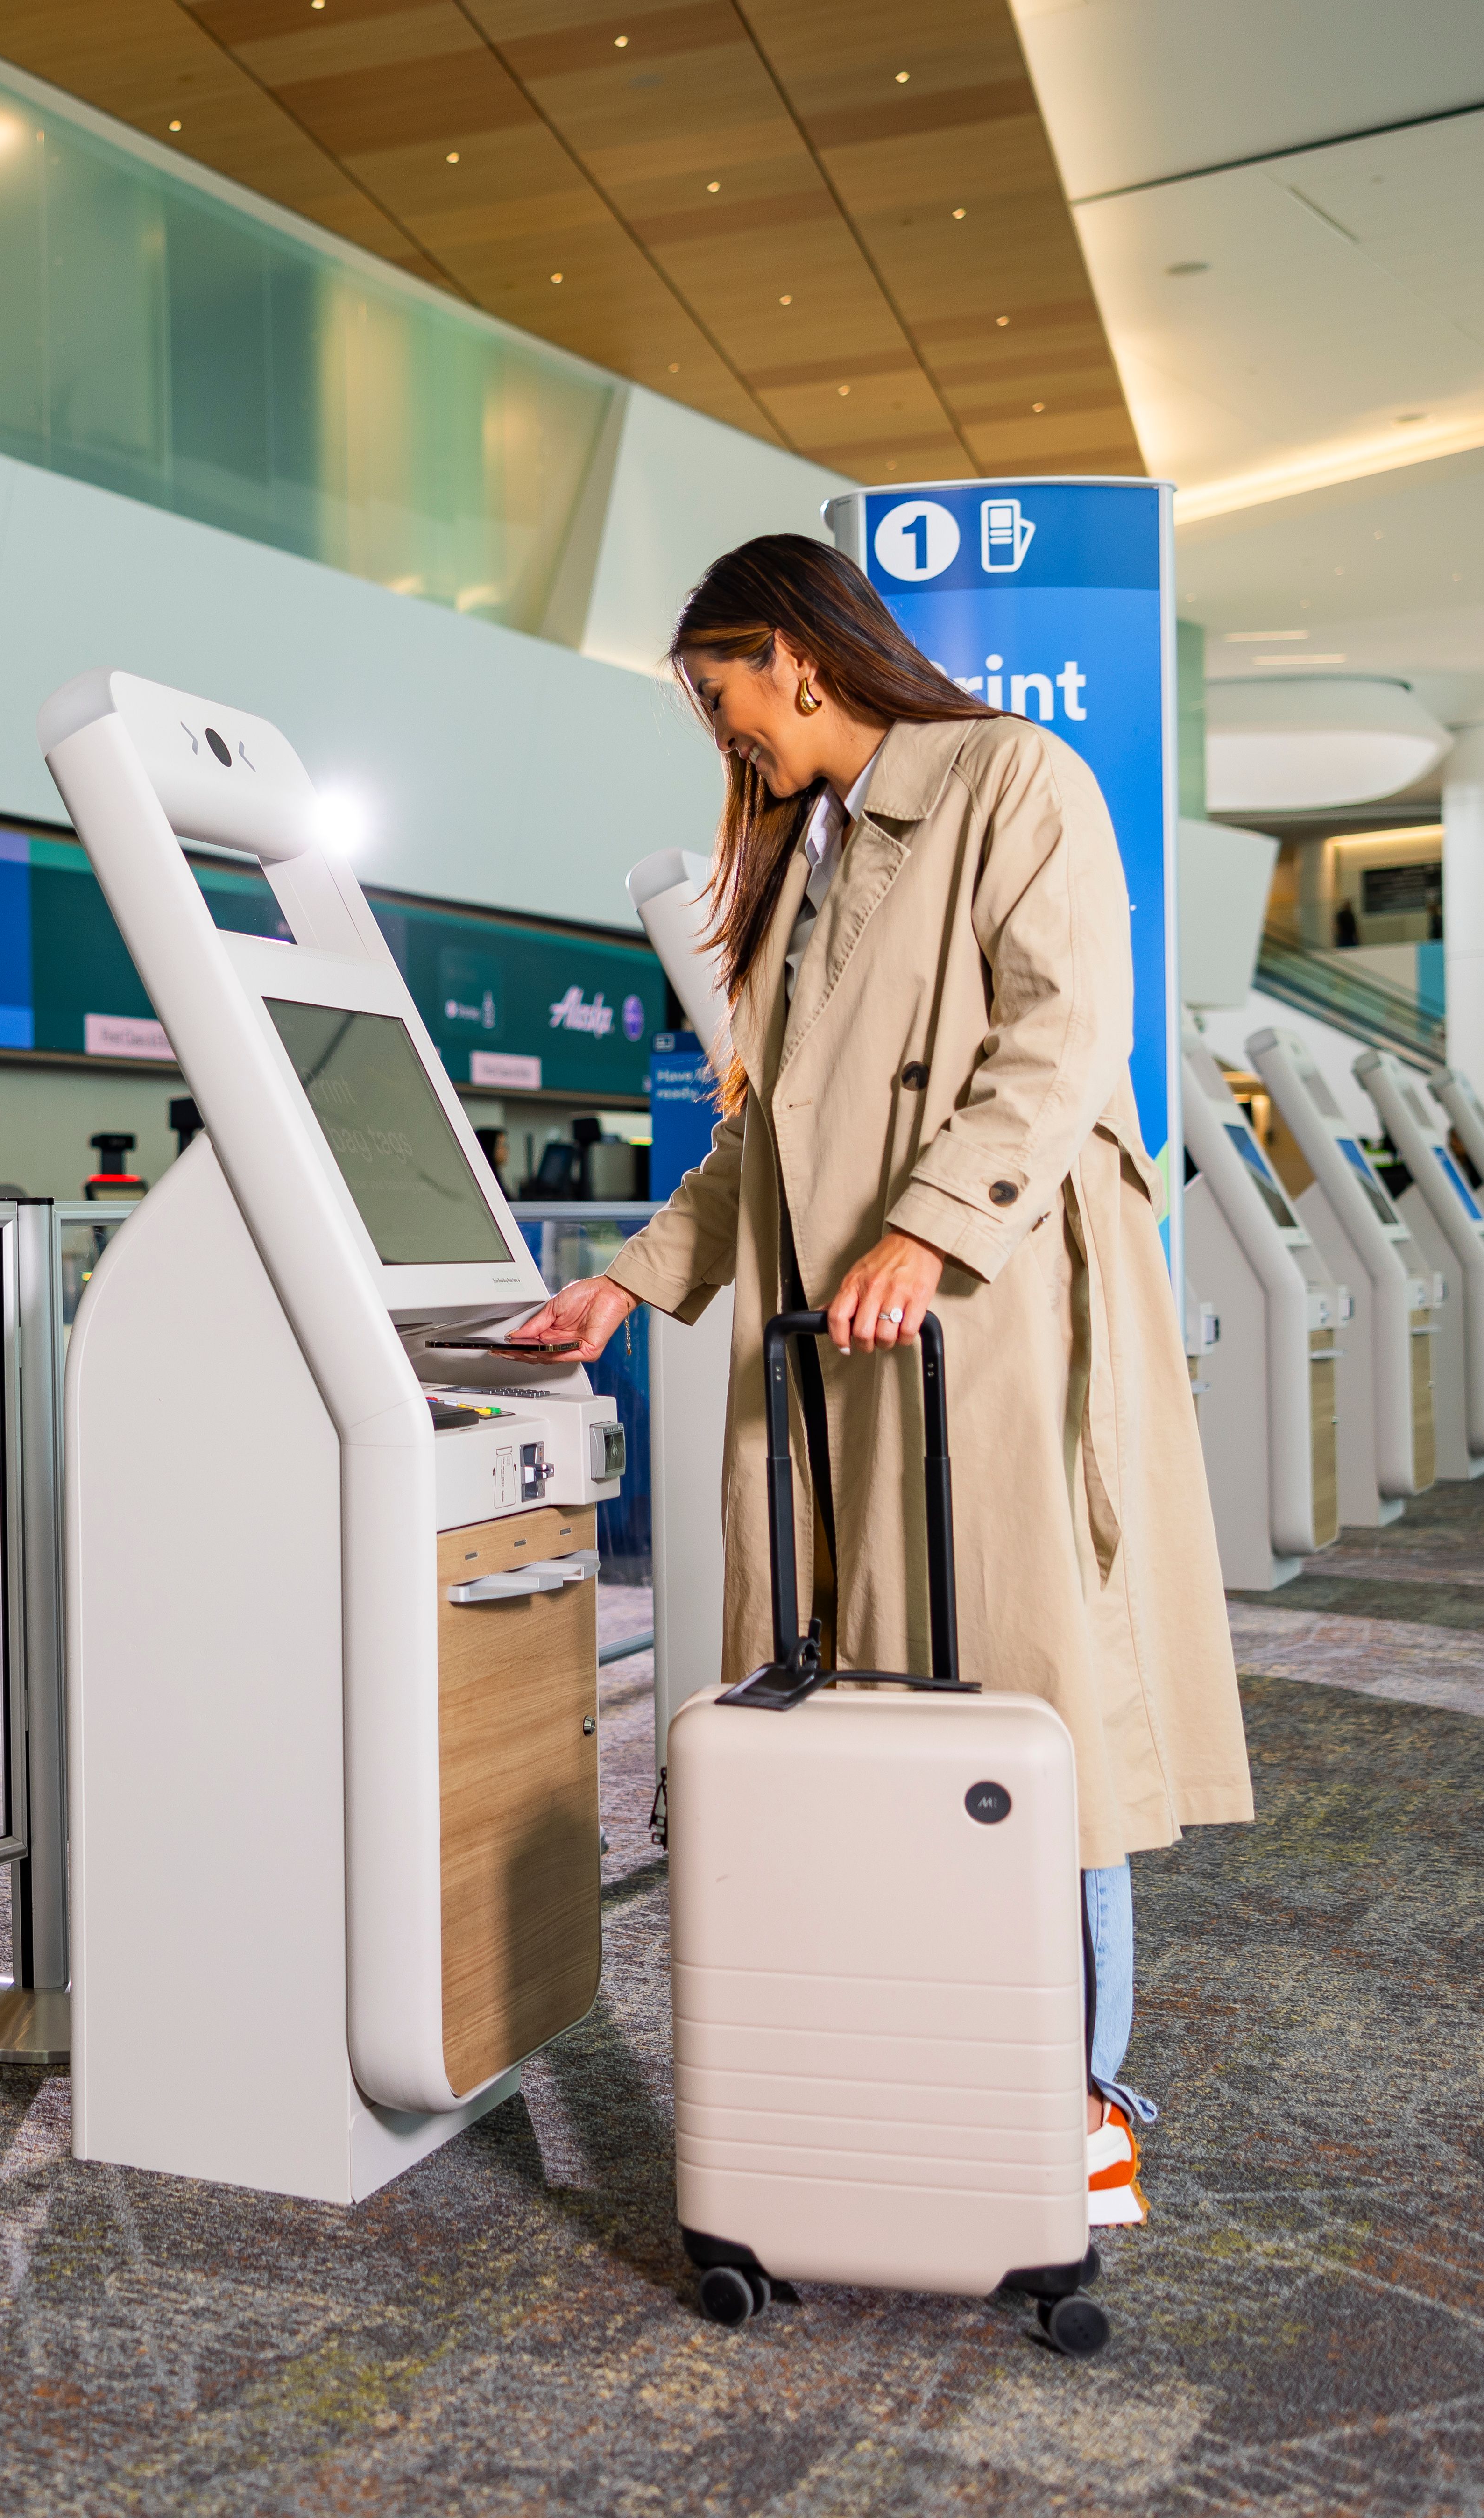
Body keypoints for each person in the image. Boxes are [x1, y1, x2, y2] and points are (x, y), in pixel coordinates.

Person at [515, 535, 1254, 2229]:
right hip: (838, 1352)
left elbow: (1066, 1041)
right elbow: (762, 1140)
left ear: (793, 653)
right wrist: (627, 1287)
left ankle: (1077, 2103)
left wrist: (929, 1232)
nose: (729, 742)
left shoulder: (1015, 778)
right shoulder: (811, 857)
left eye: (723, 700)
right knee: (860, 1724)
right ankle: (908, 2070)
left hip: (982, 1334)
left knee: (1027, 1713)